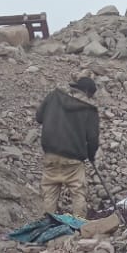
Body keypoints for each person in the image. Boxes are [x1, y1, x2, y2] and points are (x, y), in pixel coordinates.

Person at [35, 77, 100, 219]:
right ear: (87, 92)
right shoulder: (89, 111)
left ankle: (46, 224)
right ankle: (79, 227)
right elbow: (93, 139)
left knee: (49, 192)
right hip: (73, 161)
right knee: (78, 193)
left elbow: (39, 117)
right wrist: (91, 156)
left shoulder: (54, 97)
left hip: (51, 155)